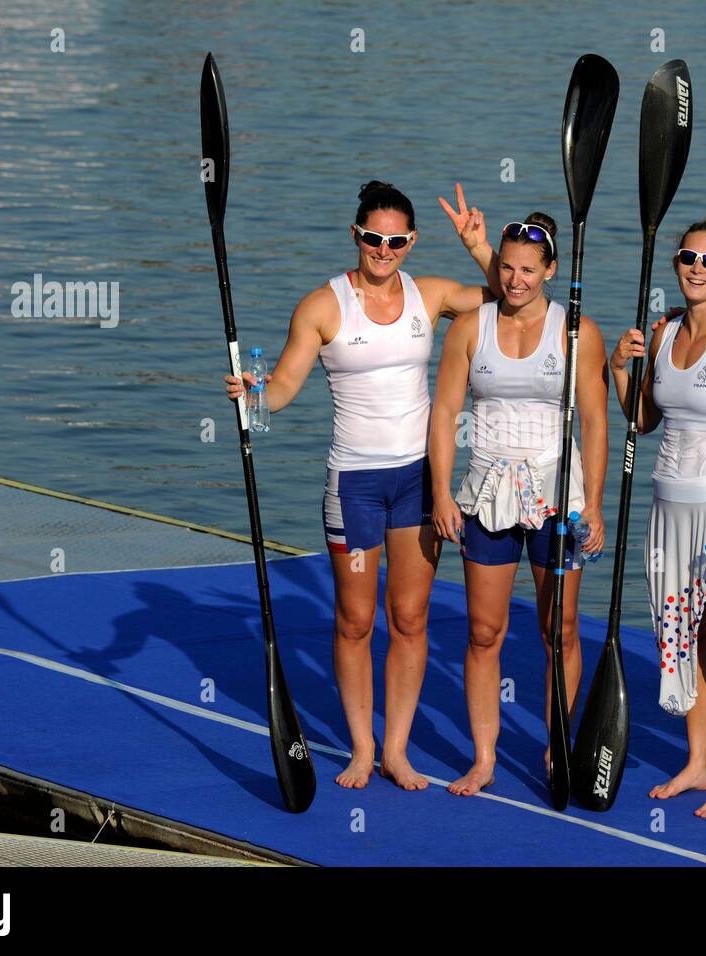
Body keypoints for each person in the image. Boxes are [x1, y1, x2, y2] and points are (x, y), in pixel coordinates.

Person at [224, 181, 499, 791]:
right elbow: (287, 385)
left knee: (409, 616)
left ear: (411, 242)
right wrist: (257, 392)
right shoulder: (322, 307)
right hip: (354, 483)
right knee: (354, 618)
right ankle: (360, 747)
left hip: (418, 481)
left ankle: (396, 751)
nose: (384, 250)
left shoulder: (429, 295)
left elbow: (515, 295)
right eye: (373, 238)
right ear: (356, 236)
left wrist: (480, 247)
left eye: (396, 240)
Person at [428, 212, 608, 796]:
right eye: (506, 266)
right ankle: (484, 759)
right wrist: (440, 492)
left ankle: (558, 748)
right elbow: (443, 415)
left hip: (558, 499)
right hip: (485, 496)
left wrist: (596, 506)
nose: (515, 279)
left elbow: (598, 426)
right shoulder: (468, 329)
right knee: (484, 632)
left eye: (529, 269)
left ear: (550, 271)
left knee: (560, 629)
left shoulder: (576, 332)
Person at [610, 214, 706, 817]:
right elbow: (643, 421)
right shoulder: (663, 332)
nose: (696, 269)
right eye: (687, 258)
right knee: (684, 642)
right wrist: (621, 371)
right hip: (666, 508)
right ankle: (699, 764)